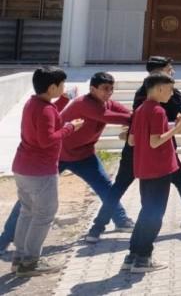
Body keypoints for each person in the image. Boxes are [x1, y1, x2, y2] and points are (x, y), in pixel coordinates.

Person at [0, 72, 132, 252]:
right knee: (31, 204)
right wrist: (144, 118)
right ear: (92, 89)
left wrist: (138, 117)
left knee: (106, 187)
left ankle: (121, 219)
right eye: (104, 89)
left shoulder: (106, 103)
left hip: (84, 155)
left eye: (111, 89)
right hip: (59, 156)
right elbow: (111, 117)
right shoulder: (84, 104)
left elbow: (125, 113)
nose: (109, 93)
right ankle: (6, 240)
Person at [106, 56, 181, 231]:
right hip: (157, 152)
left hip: (138, 149)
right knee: (163, 195)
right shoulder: (158, 100)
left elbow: (134, 132)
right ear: (159, 74)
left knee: (122, 186)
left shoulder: (144, 95)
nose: (172, 72)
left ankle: (98, 227)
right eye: (169, 68)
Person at [8, 67, 83, 277]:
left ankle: (20, 259)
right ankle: (30, 262)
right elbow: (46, 139)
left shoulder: (34, 103)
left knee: (27, 212)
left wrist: (62, 101)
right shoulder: (46, 109)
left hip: (23, 167)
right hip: (40, 171)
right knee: (44, 215)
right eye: (62, 85)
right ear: (52, 87)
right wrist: (70, 127)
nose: (64, 88)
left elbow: (45, 117)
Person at [124, 73, 181, 274]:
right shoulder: (158, 111)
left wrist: (169, 128)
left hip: (143, 167)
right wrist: (176, 129)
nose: (171, 94)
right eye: (170, 90)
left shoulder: (140, 109)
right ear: (159, 89)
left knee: (146, 211)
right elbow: (155, 141)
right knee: (155, 214)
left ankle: (132, 255)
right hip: (159, 168)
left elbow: (132, 140)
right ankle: (144, 258)